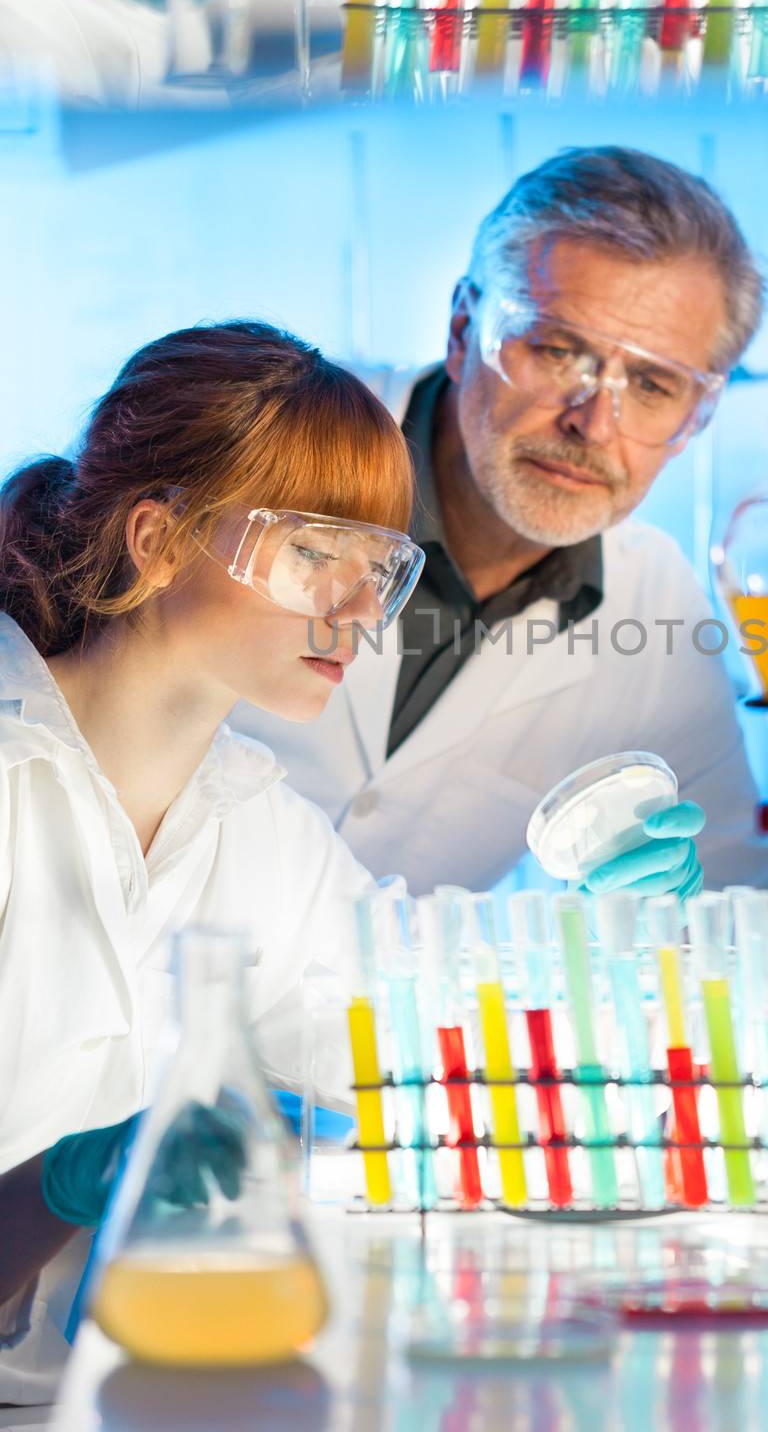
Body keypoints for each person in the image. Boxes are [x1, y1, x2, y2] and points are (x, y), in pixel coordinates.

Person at [0, 319, 421, 1402]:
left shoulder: (262, 831)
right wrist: (61, 1186)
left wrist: (575, 904)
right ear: (158, 539)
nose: (360, 608)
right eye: (313, 552)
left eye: (380, 566)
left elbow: (414, 1070)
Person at [235, 147, 768, 897]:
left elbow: (742, 912)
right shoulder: (260, 439)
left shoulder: (655, 605)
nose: (593, 424)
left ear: (696, 416)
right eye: (558, 352)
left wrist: (645, 930)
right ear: (463, 329)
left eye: (653, 385)